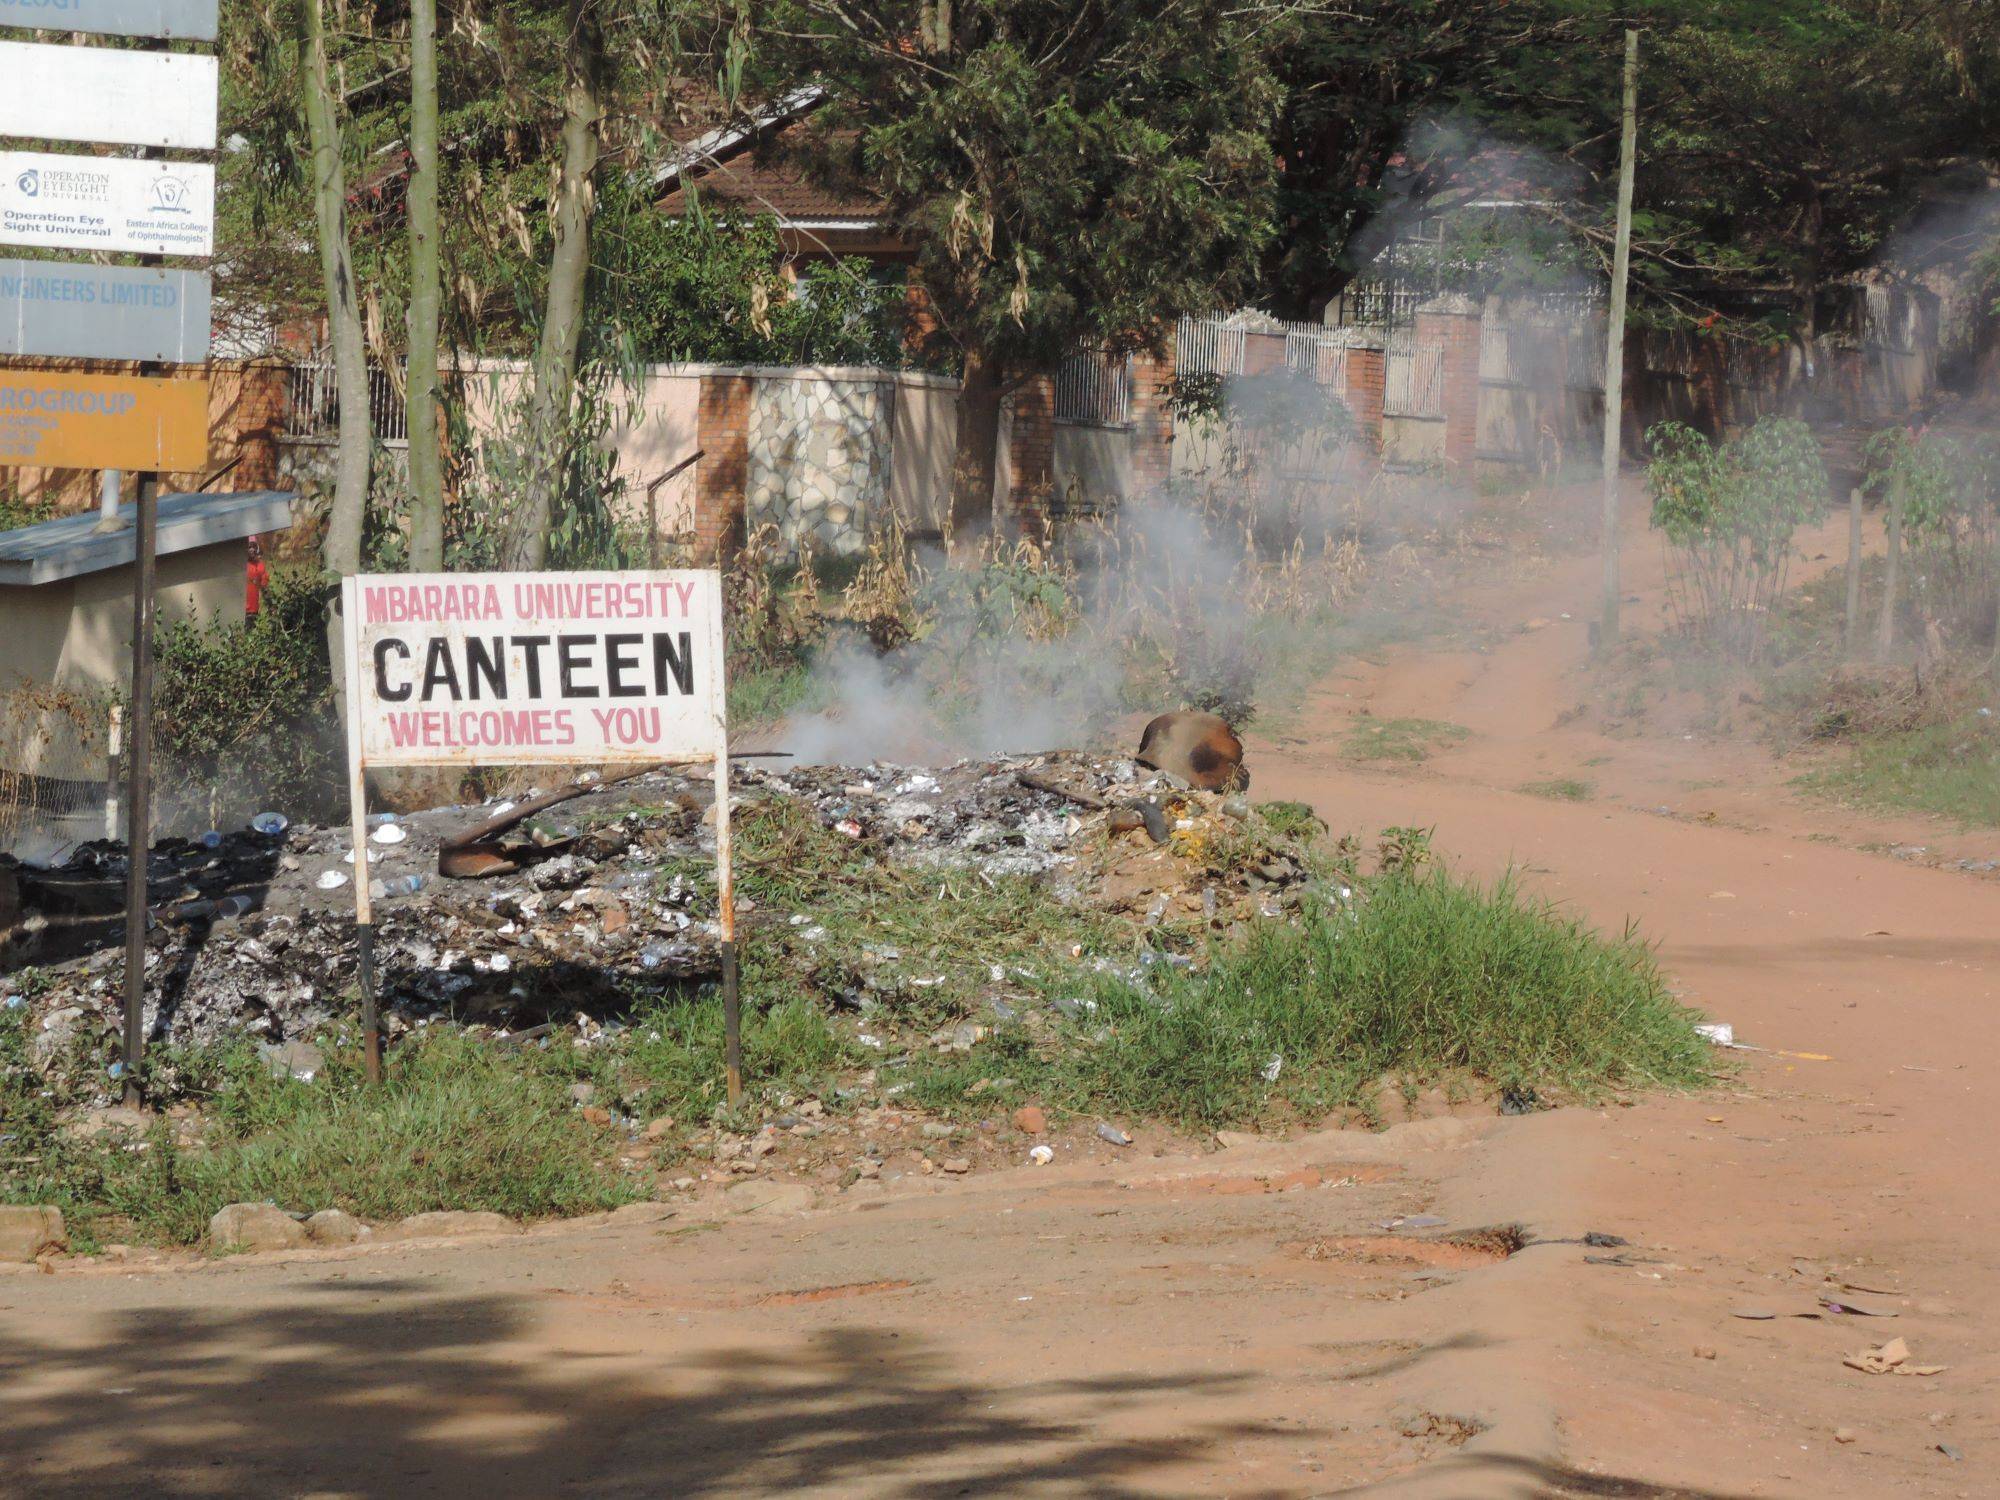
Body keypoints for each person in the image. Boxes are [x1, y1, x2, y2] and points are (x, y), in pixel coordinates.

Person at [245, 535, 269, 617]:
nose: (252, 549)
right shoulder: (238, 566)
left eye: (254, 546)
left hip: (253, 611)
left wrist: (271, 607)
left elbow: (265, 589)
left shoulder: (260, 565)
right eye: (249, 547)